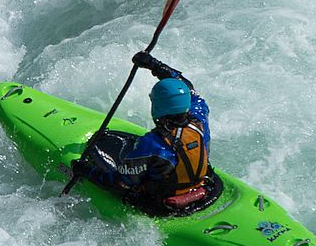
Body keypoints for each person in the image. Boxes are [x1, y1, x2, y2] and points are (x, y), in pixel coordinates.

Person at [71, 53, 215, 212]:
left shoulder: (153, 144)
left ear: (158, 107)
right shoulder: (199, 118)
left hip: (163, 201)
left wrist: (85, 171)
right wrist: (155, 65)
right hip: (201, 187)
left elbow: (120, 183)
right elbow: (188, 88)